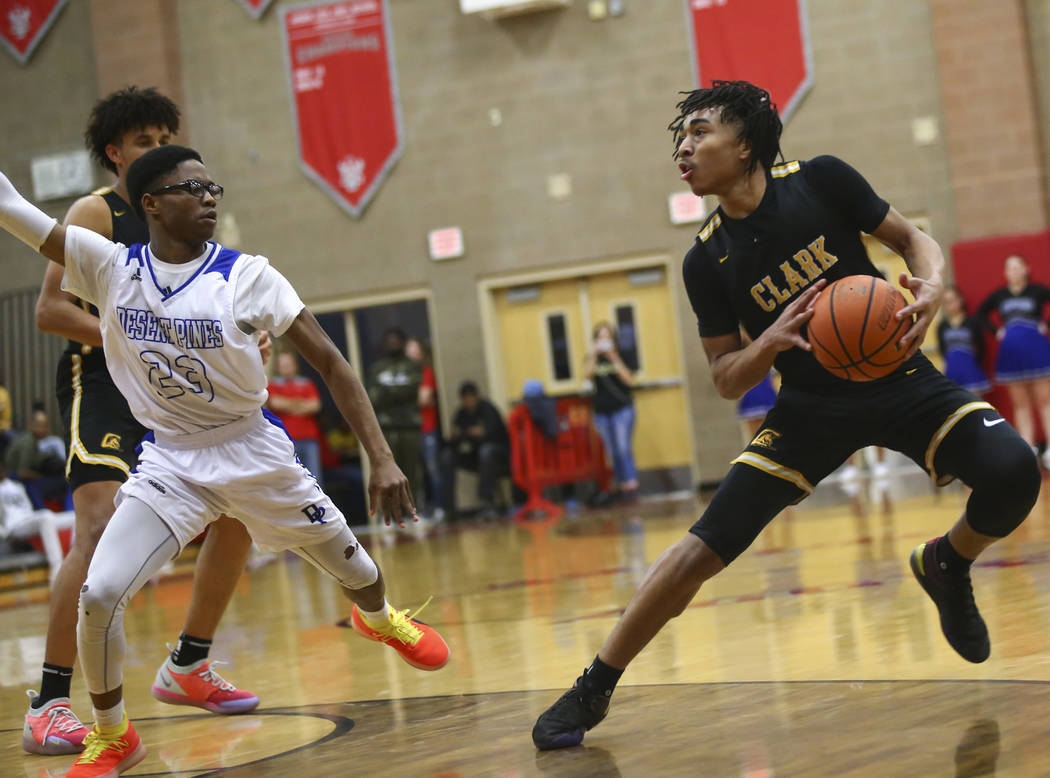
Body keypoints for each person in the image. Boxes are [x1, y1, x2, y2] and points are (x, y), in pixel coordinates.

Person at [531, 81, 1040, 750]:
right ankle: (593, 685)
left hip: (897, 374)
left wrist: (934, 283)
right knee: (697, 552)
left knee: (1014, 471)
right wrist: (766, 343)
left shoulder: (822, 181)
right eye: (680, 137)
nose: (684, 146)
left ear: (744, 146)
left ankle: (947, 563)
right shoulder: (705, 258)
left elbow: (913, 239)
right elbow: (722, 378)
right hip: (808, 406)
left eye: (700, 132)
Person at [0, 144, 450, 777]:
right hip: (170, 462)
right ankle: (113, 734)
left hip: (252, 450)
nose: (209, 198)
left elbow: (330, 362)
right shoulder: (108, 267)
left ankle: (378, 619)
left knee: (363, 573)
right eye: (192, 189)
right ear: (150, 205)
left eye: (213, 188)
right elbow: (13, 207)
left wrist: (381, 457)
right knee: (100, 594)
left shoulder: (248, 275)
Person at [27, 87, 258, 757]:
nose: (159, 150)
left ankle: (188, 664)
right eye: (145, 141)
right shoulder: (94, 212)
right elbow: (49, 310)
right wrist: (133, 337)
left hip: (172, 385)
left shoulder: (184, 215)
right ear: (115, 153)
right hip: (101, 382)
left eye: (166, 138)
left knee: (240, 509)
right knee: (97, 531)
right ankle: (48, 702)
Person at [976, 255, 1050, 462]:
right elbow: (981, 314)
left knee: (1045, 401)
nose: (1014, 271)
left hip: (1037, 350)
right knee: (1021, 405)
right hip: (1011, 354)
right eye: (1010, 268)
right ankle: (1028, 447)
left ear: (1026, 269)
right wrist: (996, 330)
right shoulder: (999, 295)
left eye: (1018, 267)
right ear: (1005, 273)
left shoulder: (1037, 291)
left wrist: (1046, 325)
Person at [367, 328, 424, 508]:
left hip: (410, 426)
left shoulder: (413, 366)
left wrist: (388, 391)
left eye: (396, 340)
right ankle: (390, 514)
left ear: (402, 342)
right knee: (388, 474)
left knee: (412, 473)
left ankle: (414, 511)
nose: (392, 344)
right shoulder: (378, 368)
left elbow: (414, 391)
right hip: (386, 428)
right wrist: (399, 391)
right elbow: (374, 397)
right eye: (389, 341)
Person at [583, 323, 639, 502]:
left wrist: (614, 358)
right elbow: (586, 376)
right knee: (612, 451)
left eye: (607, 337)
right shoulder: (593, 357)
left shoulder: (620, 355)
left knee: (623, 448)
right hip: (601, 410)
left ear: (613, 339)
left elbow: (628, 378)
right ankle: (621, 484)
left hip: (622, 408)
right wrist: (593, 354)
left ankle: (631, 485)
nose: (604, 340)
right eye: (600, 337)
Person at [439, 381, 510, 519]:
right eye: (465, 398)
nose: (468, 401)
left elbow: (495, 435)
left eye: (471, 397)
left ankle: (487, 502)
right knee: (447, 456)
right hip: (476, 456)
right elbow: (455, 441)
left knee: (486, 451)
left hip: (499, 456)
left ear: (476, 397)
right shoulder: (461, 414)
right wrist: (456, 437)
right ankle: (447, 508)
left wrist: (477, 434)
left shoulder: (488, 409)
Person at [0, 462, 75, 586]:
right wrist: (3, 532)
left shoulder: (17, 485)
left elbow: (27, 507)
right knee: (45, 517)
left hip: (28, 519)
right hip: (13, 526)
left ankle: (74, 562)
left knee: (73, 517)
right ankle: (57, 570)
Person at [266, 351, 324, 484]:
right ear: (278, 367)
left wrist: (288, 405)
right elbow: (275, 403)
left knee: (315, 479)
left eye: (288, 365)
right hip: (286, 441)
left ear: (295, 366)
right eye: (283, 365)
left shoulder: (306, 383)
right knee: (291, 481)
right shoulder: (273, 384)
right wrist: (301, 404)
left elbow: (315, 406)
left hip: (309, 438)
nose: (286, 368)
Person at [405, 337, 442, 517]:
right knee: (414, 471)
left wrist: (403, 399)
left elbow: (424, 398)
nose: (411, 354)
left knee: (432, 468)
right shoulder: (405, 374)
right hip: (410, 430)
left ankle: (438, 507)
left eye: (414, 350)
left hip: (427, 429)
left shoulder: (426, 372)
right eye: (408, 350)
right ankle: (418, 510)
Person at [937, 286, 991, 397]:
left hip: (971, 371)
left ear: (960, 300)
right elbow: (942, 349)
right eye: (946, 302)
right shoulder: (942, 326)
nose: (950, 305)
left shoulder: (972, 322)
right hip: (952, 372)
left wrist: (973, 363)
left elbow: (982, 347)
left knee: (976, 407)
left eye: (953, 300)